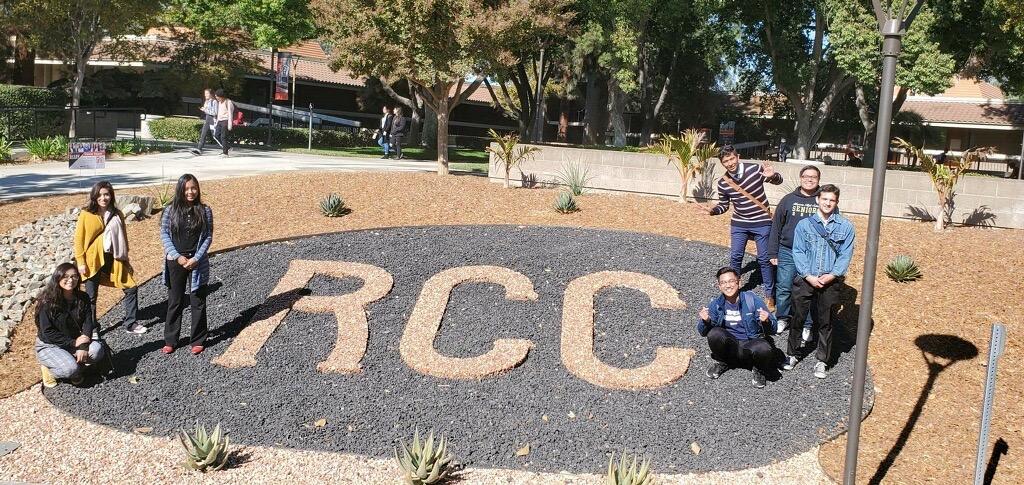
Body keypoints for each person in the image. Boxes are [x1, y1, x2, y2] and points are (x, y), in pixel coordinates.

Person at [697, 144, 783, 310]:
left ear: (737, 156)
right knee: (736, 257)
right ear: (722, 163)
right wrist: (713, 210)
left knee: (765, 260)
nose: (730, 163)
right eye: (725, 161)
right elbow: (724, 205)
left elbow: (778, 181)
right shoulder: (723, 182)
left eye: (731, 158)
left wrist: (773, 176)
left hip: (762, 222)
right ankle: (732, 294)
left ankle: (769, 296)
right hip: (739, 224)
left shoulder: (754, 169)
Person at [784, 184, 855, 379]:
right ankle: (792, 354)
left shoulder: (846, 227)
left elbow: (845, 254)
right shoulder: (804, 225)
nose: (828, 203)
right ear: (818, 200)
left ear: (837, 202)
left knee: (827, 322)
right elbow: (797, 251)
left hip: (829, 281)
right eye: (824, 199)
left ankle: (822, 360)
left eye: (832, 200)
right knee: (798, 317)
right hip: (806, 277)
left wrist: (832, 275)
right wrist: (808, 275)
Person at [74, 181, 145, 336]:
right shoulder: (87, 214)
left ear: (111, 195)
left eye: (106, 194)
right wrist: (80, 262)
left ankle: (130, 323)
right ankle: (92, 328)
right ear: (94, 196)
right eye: (99, 195)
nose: (103, 198)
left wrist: (126, 260)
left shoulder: (117, 213)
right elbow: (78, 240)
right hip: (92, 259)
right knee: (91, 297)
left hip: (114, 257)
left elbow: (123, 238)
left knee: (131, 287)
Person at [696, 267, 778, 389]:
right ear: (719, 286)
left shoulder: (752, 300)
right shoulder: (716, 304)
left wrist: (766, 321)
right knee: (714, 333)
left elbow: (774, 328)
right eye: (723, 283)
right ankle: (724, 362)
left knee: (764, 347)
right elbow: (702, 332)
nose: (728, 285)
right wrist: (705, 321)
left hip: (750, 345)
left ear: (739, 282)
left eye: (731, 281)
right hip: (731, 345)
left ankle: (758, 369)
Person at [160, 173, 214, 355]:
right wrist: (177, 256)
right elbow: (165, 235)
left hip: (197, 261)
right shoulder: (170, 211)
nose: (190, 192)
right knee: (175, 300)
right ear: (180, 190)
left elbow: (207, 237)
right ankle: (171, 339)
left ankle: (198, 339)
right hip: (176, 261)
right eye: (186, 189)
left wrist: (196, 258)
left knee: (197, 299)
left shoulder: (205, 211)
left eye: (193, 188)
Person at [768, 165, 821, 337]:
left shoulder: (823, 200)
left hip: (812, 253)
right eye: (806, 176)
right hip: (787, 251)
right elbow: (776, 226)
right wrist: (773, 252)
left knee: (809, 290)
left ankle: (807, 324)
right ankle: (782, 318)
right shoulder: (788, 200)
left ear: (818, 180)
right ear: (800, 178)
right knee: (784, 287)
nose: (809, 179)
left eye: (813, 177)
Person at [34, 263, 106, 387]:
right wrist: (73, 343)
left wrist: (83, 346)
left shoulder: (83, 298)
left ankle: (72, 364)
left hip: (74, 340)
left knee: (97, 351)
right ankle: (49, 369)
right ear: (58, 278)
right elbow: (48, 332)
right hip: (51, 344)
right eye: (65, 276)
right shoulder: (47, 302)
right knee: (70, 370)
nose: (70, 280)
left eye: (74, 276)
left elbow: (88, 323)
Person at [190, 88, 218, 156]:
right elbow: (207, 110)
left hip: (212, 120)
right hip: (207, 119)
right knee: (203, 134)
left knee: (216, 136)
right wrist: (204, 109)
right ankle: (199, 150)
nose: (205, 95)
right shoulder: (206, 101)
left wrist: (205, 110)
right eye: (205, 93)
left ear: (211, 94)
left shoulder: (214, 102)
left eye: (207, 93)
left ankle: (226, 148)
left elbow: (215, 113)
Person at [213, 89, 235, 157]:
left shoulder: (228, 102)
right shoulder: (219, 102)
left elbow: (230, 114)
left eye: (217, 97)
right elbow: (219, 113)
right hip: (220, 120)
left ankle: (225, 153)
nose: (216, 98)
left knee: (223, 137)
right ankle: (227, 147)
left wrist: (230, 125)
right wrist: (216, 122)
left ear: (221, 96)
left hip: (225, 121)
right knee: (216, 135)